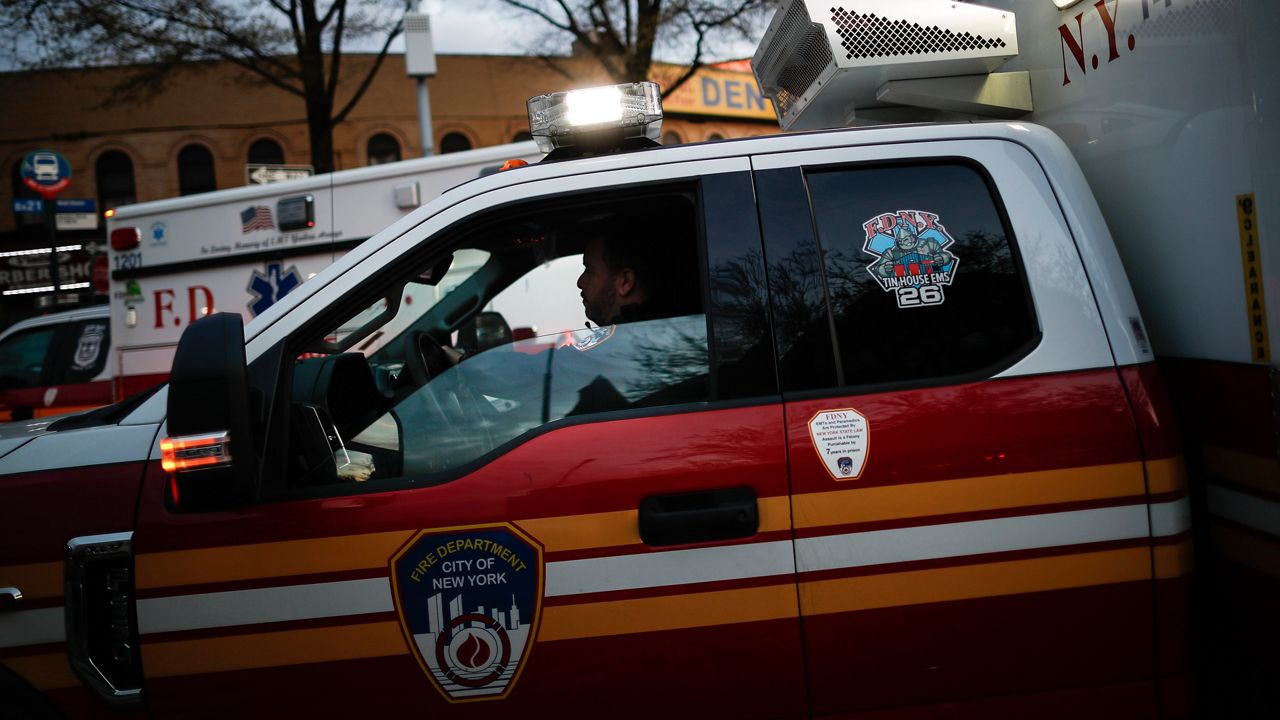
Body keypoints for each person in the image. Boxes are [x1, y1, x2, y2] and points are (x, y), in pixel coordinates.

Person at [576, 228, 673, 326]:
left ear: (625, 281)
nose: (580, 282)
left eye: (589, 271)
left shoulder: (628, 337)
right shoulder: (667, 329)